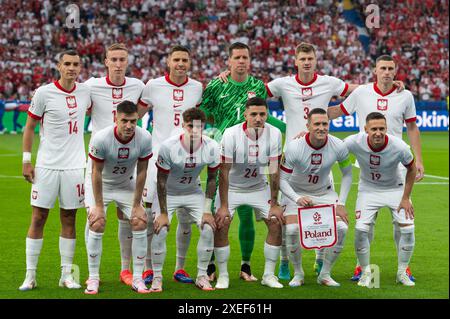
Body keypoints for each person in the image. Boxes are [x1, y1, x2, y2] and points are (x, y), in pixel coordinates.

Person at [328, 54, 423, 281]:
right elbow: (337, 112)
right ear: (375, 70)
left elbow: (412, 127)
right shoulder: (361, 92)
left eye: (391, 68)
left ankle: (404, 267)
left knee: (402, 222)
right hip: (368, 165)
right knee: (365, 224)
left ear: (395, 71)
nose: (387, 72)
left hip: (397, 164)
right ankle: (362, 266)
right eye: (383, 68)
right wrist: (310, 116)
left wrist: (418, 159)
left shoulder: (405, 95)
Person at [200, 42, 286, 282]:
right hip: (223, 148)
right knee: (217, 214)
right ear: (228, 61)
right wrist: (213, 133)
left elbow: (263, 113)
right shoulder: (217, 84)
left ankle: (246, 266)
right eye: (236, 57)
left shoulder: (257, 85)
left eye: (244, 57)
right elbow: (204, 113)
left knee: (247, 214)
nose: (240, 61)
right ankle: (210, 265)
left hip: (253, 151)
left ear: (249, 61)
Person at [19, 50, 91, 291]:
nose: (72, 68)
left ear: (80, 68)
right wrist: (27, 160)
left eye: (76, 64)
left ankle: (66, 275)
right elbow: (29, 127)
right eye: (67, 64)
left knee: (69, 218)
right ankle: (30, 275)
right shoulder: (44, 93)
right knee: (38, 218)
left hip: (74, 167)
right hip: (47, 166)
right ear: (59, 66)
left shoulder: (85, 91)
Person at [138, 45, 203, 285]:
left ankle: (180, 267)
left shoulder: (197, 88)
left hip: (188, 161)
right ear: (168, 61)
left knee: (186, 217)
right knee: (149, 215)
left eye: (185, 60)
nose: (180, 64)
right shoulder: (153, 86)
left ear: (190, 62)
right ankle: (146, 268)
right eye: (176, 59)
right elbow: (136, 113)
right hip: (157, 161)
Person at [84, 43, 145, 287]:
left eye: (122, 59)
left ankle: (126, 270)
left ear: (127, 62)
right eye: (114, 59)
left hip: (126, 165)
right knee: (94, 219)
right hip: (99, 160)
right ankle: (92, 276)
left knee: (128, 217)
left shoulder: (138, 85)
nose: (118, 64)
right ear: (106, 62)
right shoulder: (91, 85)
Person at [214, 97, 284, 289]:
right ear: (245, 115)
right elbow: (224, 172)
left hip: (259, 187)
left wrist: (275, 204)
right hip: (233, 188)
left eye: (262, 114)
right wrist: (224, 206)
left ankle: (269, 276)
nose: (258, 118)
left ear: (267, 115)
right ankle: (223, 275)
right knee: (222, 224)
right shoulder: (230, 134)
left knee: (276, 222)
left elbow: (274, 170)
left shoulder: (275, 133)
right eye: (254, 114)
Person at [279, 108, 352, 287]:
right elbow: (281, 180)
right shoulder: (295, 147)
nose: (321, 127)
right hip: (295, 193)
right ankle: (298, 273)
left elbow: (348, 174)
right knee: (291, 230)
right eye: (317, 124)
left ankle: (325, 274)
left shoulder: (338, 145)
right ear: (308, 126)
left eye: (324, 124)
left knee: (342, 228)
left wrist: (341, 203)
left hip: (324, 193)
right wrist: (296, 198)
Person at [85, 101, 152, 294]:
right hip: (100, 185)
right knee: (97, 222)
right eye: (124, 121)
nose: (129, 126)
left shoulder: (144, 137)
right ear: (116, 117)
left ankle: (138, 278)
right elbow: (95, 173)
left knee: (140, 221)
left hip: (124, 184)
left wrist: (137, 204)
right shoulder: (101, 138)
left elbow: (142, 171)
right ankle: (94, 278)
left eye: (133, 121)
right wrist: (98, 206)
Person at [343, 112, 417, 287]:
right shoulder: (353, 141)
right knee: (361, 230)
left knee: (408, 229)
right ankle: (365, 271)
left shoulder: (399, 147)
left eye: (382, 128)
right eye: (374, 129)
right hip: (368, 189)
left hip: (395, 188)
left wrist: (406, 198)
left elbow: (412, 169)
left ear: (386, 129)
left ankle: (402, 272)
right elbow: (331, 147)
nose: (378, 132)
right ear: (365, 129)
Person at [150, 107, 219, 292]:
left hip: (193, 192)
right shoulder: (168, 146)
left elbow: (212, 179)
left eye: (200, 127)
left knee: (208, 228)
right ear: (183, 126)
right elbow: (161, 181)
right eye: (191, 126)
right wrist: (164, 213)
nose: (195, 130)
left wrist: (206, 209)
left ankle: (202, 275)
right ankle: (157, 278)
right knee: (160, 229)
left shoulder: (212, 146)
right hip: (168, 193)